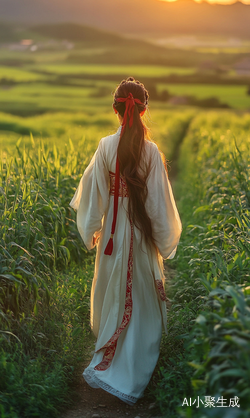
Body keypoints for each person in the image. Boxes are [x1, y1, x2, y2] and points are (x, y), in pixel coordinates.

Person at [69, 77, 182, 405]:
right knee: (142, 299)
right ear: (144, 110)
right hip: (140, 237)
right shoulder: (151, 151)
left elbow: (93, 195)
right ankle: (135, 364)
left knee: (114, 294)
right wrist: (163, 240)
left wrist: (91, 228)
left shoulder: (105, 146)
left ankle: (109, 358)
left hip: (113, 238)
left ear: (117, 110)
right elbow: (159, 204)